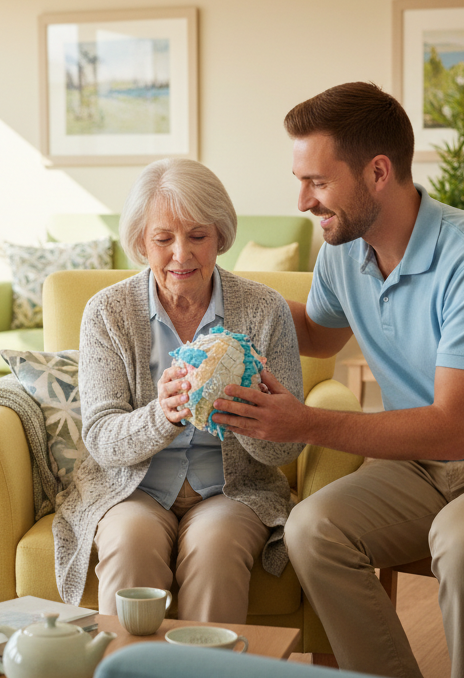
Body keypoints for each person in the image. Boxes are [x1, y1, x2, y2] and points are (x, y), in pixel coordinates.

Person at [209, 82, 464, 678]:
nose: (304, 200)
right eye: (300, 180)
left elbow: (452, 428)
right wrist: (215, 291)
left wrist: (305, 422)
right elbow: (317, 330)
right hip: (418, 468)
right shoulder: (344, 247)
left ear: (379, 173)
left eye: (317, 181)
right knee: (312, 529)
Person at [50, 158, 306, 620]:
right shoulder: (107, 313)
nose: (181, 255)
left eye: (198, 236)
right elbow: (102, 437)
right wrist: (162, 414)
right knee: (130, 545)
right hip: (132, 490)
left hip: (233, 491)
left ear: (221, 236)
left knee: (216, 550)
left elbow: (287, 450)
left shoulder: (265, 310)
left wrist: (249, 414)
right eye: (163, 239)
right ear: (141, 243)